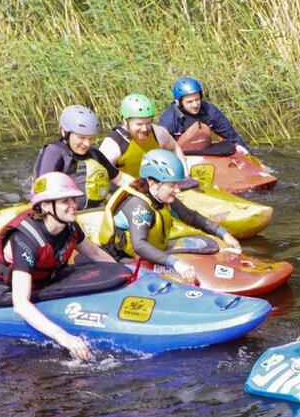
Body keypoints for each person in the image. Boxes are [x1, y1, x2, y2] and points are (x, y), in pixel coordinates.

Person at [0, 172, 117, 362]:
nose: (74, 205)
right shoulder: (25, 240)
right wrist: (63, 337)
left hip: (49, 276)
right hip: (17, 286)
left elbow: (96, 255)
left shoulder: (70, 227)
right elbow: (21, 304)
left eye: (74, 199)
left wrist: (130, 276)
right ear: (46, 205)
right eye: (65, 201)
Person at [97, 149, 241, 285]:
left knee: (207, 243)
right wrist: (175, 263)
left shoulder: (161, 197)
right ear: (153, 183)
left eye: (177, 184)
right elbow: (139, 245)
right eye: (172, 185)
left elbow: (190, 217)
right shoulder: (139, 207)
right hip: (124, 259)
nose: (177, 190)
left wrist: (224, 234)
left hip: (156, 248)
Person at [31, 105, 120, 208]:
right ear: (64, 132)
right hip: (65, 212)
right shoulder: (53, 153)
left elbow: (120, 179)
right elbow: (41, 193)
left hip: (94, 210)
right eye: (81, 137)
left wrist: (136, 187)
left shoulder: (94, 154)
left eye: (91, 138)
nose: (87, 144)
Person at [99, 93, 188, 183]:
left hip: (155, 187)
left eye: (148, 123)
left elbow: (174, 148)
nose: (144, 129)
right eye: (139, 124)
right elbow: (100, 173)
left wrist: (184, 177)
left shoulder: (158, 133)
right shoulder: (113, 144)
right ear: (125, 121)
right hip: (126, 189)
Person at [158, 76, 250, 152]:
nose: (195, 105)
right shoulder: (168, 120)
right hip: (180, 155)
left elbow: (232, 138)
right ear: (179, 103)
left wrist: (249, 157)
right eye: (190, 102)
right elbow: (160, 150)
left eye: (197, 100)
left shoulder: (210, 111)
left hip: (205, 151)